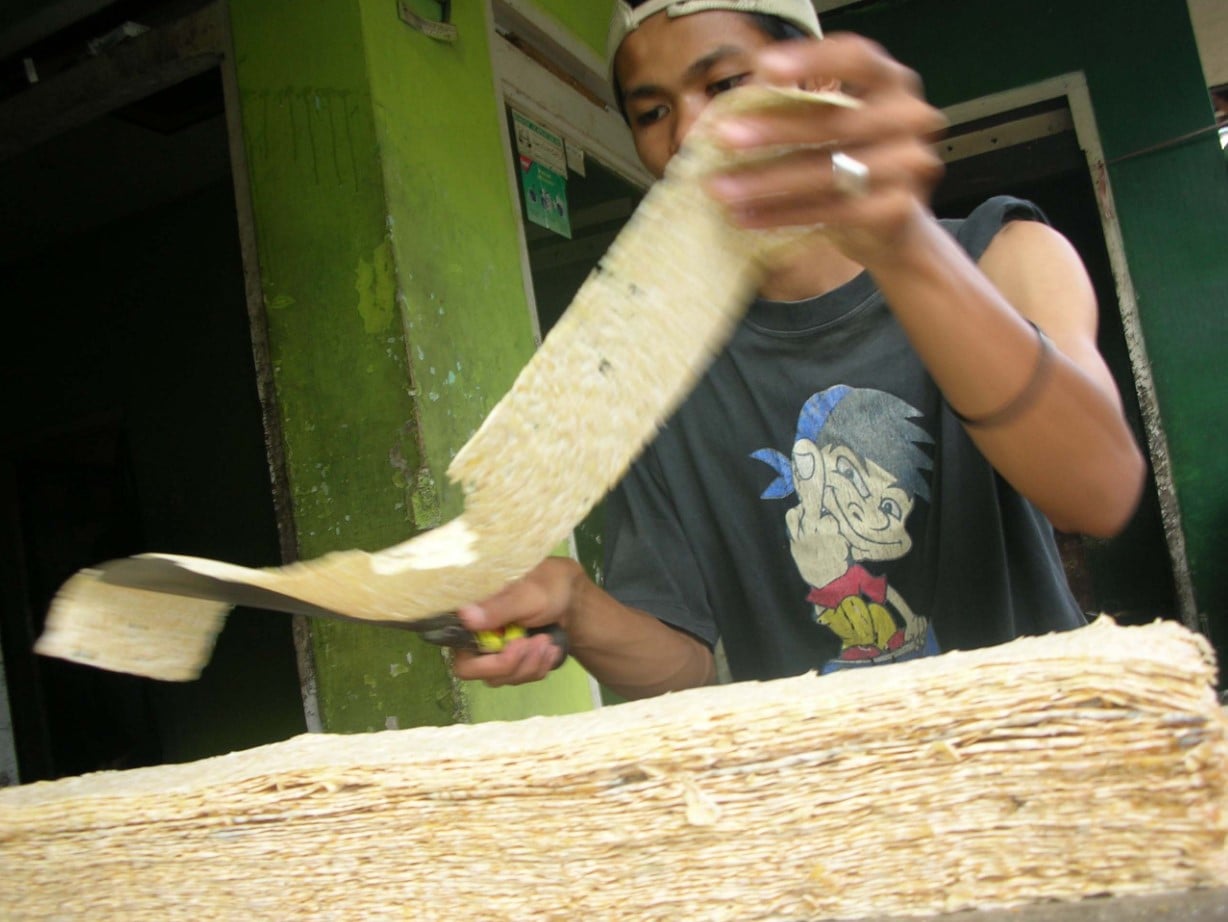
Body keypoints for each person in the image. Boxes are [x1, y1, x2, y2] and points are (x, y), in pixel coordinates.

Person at [451, 0, 1146, 699]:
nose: (691, 133)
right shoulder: (656, 377)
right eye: (653, 113)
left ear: (818, 85)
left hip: (1039, 762)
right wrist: (576, 606)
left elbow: (1097, 493)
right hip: (824, 795)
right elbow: (684, 666)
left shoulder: (1002, 255)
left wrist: (903, 245)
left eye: (723, 85)